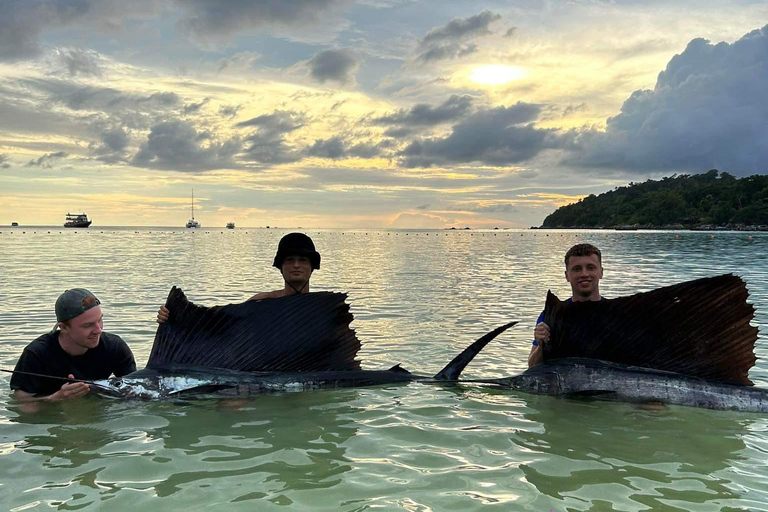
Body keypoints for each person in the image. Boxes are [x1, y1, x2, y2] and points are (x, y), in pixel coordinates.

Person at [156, 232, 322, 322]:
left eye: (303, 260)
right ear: (281, 266)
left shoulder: (324, 308)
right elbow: (221, 324)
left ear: (312, 266)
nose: (296, 265)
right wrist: (174, 318)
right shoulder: (260, 303)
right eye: (290, 260)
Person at [10, 288, 136, 401]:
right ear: (64, 327)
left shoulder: (114, 347)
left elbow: (136, 388)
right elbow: (20, 403)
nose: (98, 330)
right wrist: (55, 398)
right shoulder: (37, 354)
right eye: (88, 325)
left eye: (100, 320)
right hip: (56, 419)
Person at [528, 243, 604, 368]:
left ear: (601, 272)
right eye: (577, 269)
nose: (584, 274)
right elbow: (532, 368)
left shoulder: (622, 316)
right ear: (567, 275)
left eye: (590, 267)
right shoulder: (552, 315)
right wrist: (541, 346)